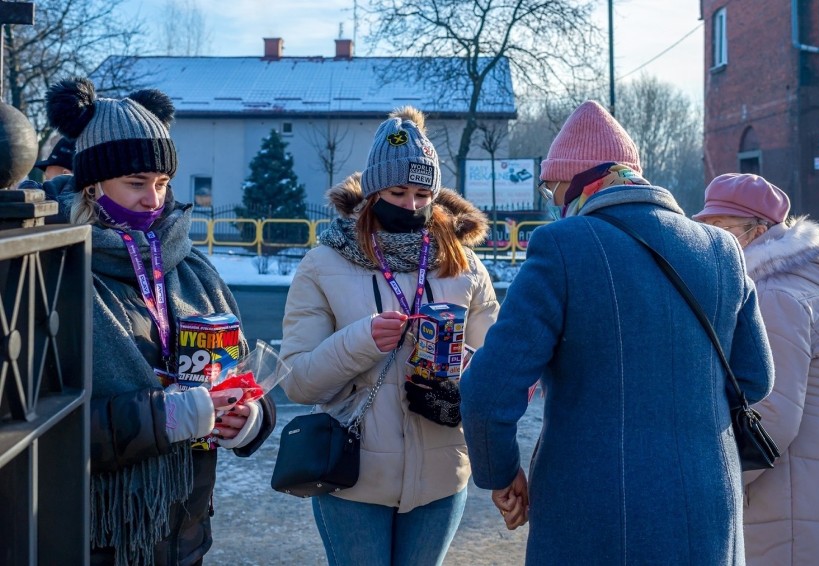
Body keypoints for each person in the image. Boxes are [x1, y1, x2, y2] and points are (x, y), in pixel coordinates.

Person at [459, 100, 775, 565]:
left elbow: (488, 392)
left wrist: (501, 473)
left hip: (592, 513)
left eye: (554, 192)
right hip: (708, 507)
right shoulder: (722, 249)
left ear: (582, 182)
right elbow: (756, 377)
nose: (555, 204)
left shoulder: (561, 246)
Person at [45, 77, 276, 566]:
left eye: (162, 182)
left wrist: (248, 417)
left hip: (185, 530)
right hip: (98, 537)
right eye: (135, 183)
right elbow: (47, 428)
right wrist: (169, 416)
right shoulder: (58, 270)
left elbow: (243, 378)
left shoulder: (192, 267)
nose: (154, 200)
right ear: (92, 184)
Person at [279, 106, 499, 565]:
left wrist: (460, 362)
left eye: (423, 193)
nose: (411, 205)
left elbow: (494, 360)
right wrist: (362, 340)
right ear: (374, 189)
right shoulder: (324, 264)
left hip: (442, 475)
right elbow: (297, 382)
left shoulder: (464, 265)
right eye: (398, 191)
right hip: (353, 478)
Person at [694, 173, 819, 565]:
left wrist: (719, 482)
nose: (713, 242)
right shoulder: (809, 286)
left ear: (759, 231)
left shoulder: (774, 296)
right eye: (706, 229)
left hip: (791, 497)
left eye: (724, 229)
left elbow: (772, 415)